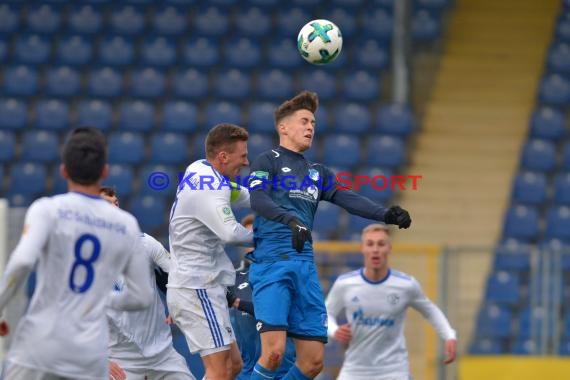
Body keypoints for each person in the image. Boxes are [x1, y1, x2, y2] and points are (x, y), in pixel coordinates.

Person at [246, 90, 412, 380]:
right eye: (304, 121)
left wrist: (386, 214)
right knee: (273, 353)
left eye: (313, 123)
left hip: (305, 266)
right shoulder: (267, 160)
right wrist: (291, 221)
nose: (311, 127)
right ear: (283, 127)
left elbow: (346, 197)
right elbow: (257, 199)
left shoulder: (316, 171)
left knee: (313, 363)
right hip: (273, 262)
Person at [0, 127, 153, 380]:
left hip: (39, 345)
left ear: (64, 171)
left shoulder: (47, 209)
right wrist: (101, 298)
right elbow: (142, 297)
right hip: (88, 354)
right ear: (104, 172)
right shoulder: (126, 225)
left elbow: (23, 261)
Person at [167, 123, 254, 380]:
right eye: (243, 156)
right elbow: (232, 234)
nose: (247, 162)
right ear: (223, 157)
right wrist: (268, 239)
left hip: (204, 286)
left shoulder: (199, 168)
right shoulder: (212, 187)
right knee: (219, 371)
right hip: (197, 288)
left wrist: (273, 199)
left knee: (233, 366)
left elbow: (241, 195)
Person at [326, 223, 457, 380]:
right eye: (370, 244)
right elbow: (325, 314)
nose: (375, 249)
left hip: (394, 371)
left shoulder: (406, 285)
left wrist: (449, 335)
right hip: (355, 370)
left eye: (381, 244)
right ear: (363, 248)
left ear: (389, 248)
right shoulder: (345, 284)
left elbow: (430, 310)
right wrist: (334, 331)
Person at [99, 187, 195, 380]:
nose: (114, 208)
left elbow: (177, 275)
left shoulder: (145, 243)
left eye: (116, 203)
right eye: (107, 204)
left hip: (162, 354)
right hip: (119, 358)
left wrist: (176, 302)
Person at [227, 214, 296, 380]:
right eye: (248, 237)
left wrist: (237, 302)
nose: (253, 242)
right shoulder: (231, 278)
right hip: (245, 372)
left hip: (280, 371)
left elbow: (273, 313)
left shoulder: (284, 274)